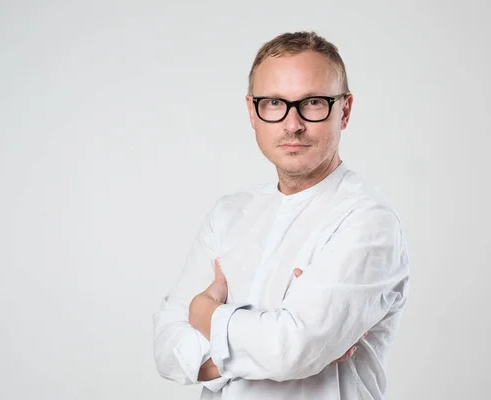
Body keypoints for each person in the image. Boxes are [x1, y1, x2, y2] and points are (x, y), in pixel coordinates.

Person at [152, 31, 410, 399]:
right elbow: (166, 346)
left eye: (314, 103)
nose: (292, 124)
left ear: (345, 110)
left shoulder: (367, 221)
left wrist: (204, 312)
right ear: (252, 112)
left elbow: (292, 350)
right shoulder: (228, 214)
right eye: (274, 103)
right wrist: (269, 345)